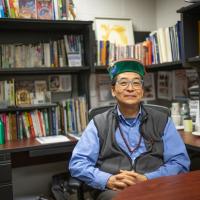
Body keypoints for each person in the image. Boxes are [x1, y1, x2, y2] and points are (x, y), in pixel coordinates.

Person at [69, 58, 190, 200]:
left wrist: (146, 179)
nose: (130, 88)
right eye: (124, 83)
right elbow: (78, 163)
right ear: (113, 90)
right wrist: (107, 180)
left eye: (136, 83)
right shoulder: (98, 123)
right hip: (114, 190)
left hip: (155, 186)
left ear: (142, 90)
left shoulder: (162, 120)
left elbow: (180, 162)